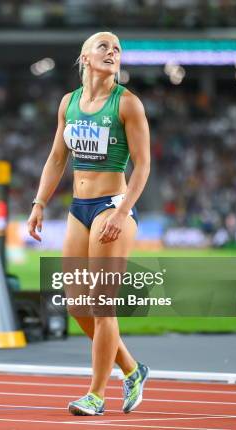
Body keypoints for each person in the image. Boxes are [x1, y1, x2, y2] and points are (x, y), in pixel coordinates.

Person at [27, 31, 151, 416]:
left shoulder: (127, 104)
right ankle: (132, 369)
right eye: (104, 46)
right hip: (78, 209)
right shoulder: (69, 103)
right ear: (84, 57)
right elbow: (56, 158)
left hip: (111, 206)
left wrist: (120, 211)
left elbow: (143, 165)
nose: (112, 52)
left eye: (117, 49)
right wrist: (39, 203)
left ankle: (96, 395)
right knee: (77, 304)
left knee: (102, 306)